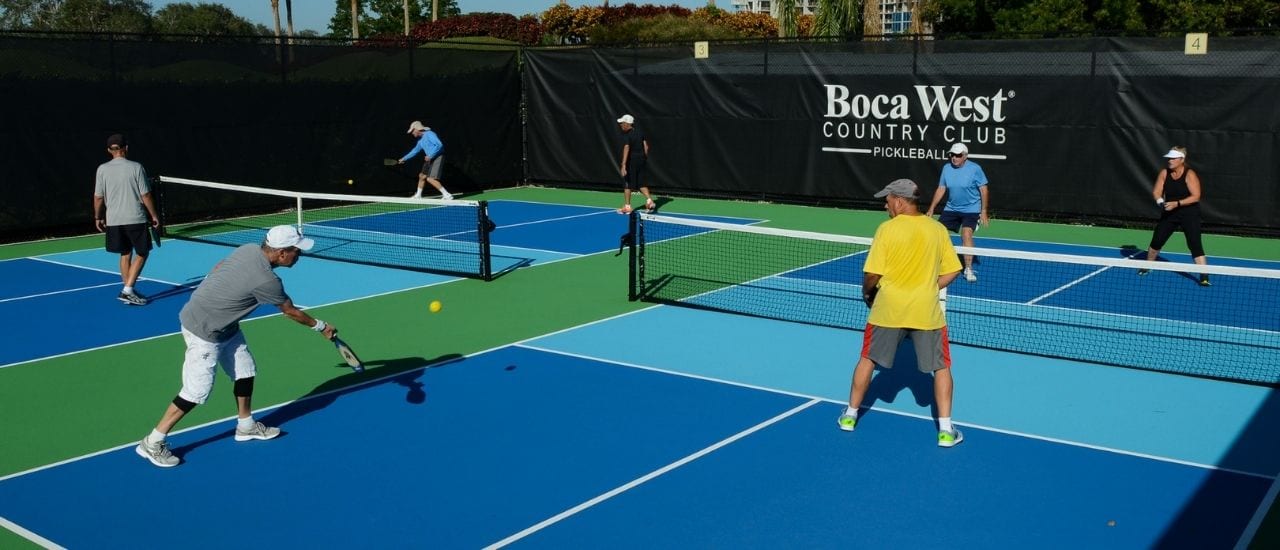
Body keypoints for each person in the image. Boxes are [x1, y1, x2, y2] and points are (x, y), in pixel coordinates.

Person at [135, 225, 339, 467]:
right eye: (297, 251)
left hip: (224, 325)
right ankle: (153, 441)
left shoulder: (249, 249)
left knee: (245, 371)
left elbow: (219, 267)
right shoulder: (267, 281)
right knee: (196, 391)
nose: (300, 256)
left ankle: (246, 425)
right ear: (282, 253)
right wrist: (322, 326)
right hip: (205, 330)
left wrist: (215, 294)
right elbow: (290, 312)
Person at [839, 179, 964, 447]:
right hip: (925, 311)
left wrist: (866, 293)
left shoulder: (887, 229)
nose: (885, 205)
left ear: (899, 201)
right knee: (941, 367)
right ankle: (945, 430)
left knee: (867, 360)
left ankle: (850, 416)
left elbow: (872, 274)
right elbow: (954, 269)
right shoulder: (937, 229)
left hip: (888, 310)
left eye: (887, 200)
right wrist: (929, 287)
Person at [93, 133, 160, 306]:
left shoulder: (101, 169)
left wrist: (98, 217)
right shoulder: (136, 167)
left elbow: (98, 197)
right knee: (143, 253)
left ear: (109, 150)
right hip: (134, 218)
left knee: (125, 253)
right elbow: (145, 194)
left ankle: (127, 289)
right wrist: (154, 215)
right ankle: (128, 290)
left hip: (114, 220)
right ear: (126, 148)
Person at [1140, 146, 1210, 286]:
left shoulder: (1190, 174)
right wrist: (1161, 203)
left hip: (1189, 214)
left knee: (1194, 244)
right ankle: (1147, 266)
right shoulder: (1164, 173)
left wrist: (1177, 203)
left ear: (1181, 160)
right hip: (1170, 213)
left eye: (1173, 158)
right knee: (1157, 241)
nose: (1170, 160)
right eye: (1169, 158)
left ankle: (1204, 276)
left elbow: (1196, 196)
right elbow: (1157, 192)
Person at [926, 142, 989, 283]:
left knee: (966, 233)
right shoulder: (946, 168)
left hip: (971, 209)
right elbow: (941, 188)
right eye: (952, 155)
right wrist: (931, 208)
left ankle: (968, 268)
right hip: (951, 208)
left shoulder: (975, 169)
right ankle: (936, 263)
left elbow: (984, 190)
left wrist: (983, 211)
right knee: (938, 232)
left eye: (958, 155)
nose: (954, 158)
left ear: (965, 156)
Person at [398, 120, 453, 200]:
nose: (412, 133)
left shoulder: (430, 134)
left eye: (412, 131)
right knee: (422, 176)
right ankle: (418, 196)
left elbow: (439, 145)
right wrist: (404, 158)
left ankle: (447, 195)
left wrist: (431, 155)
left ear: (417, 129)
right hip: (429, 159)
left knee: (430, 178)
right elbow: (414, 151)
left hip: (438, 157)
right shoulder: (420, 141)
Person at [615, 114, 655, 214]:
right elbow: (646, 147)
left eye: (622, 123)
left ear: (627, 124)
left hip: (631, 161)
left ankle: (627, 207)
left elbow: (626, 148)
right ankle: (649, 201)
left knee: (627, 183)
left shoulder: (627, 135)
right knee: (641, 183)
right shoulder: (640, 132)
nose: (621, 125)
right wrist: (643, 158)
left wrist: (623, 164)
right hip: (641, 160)